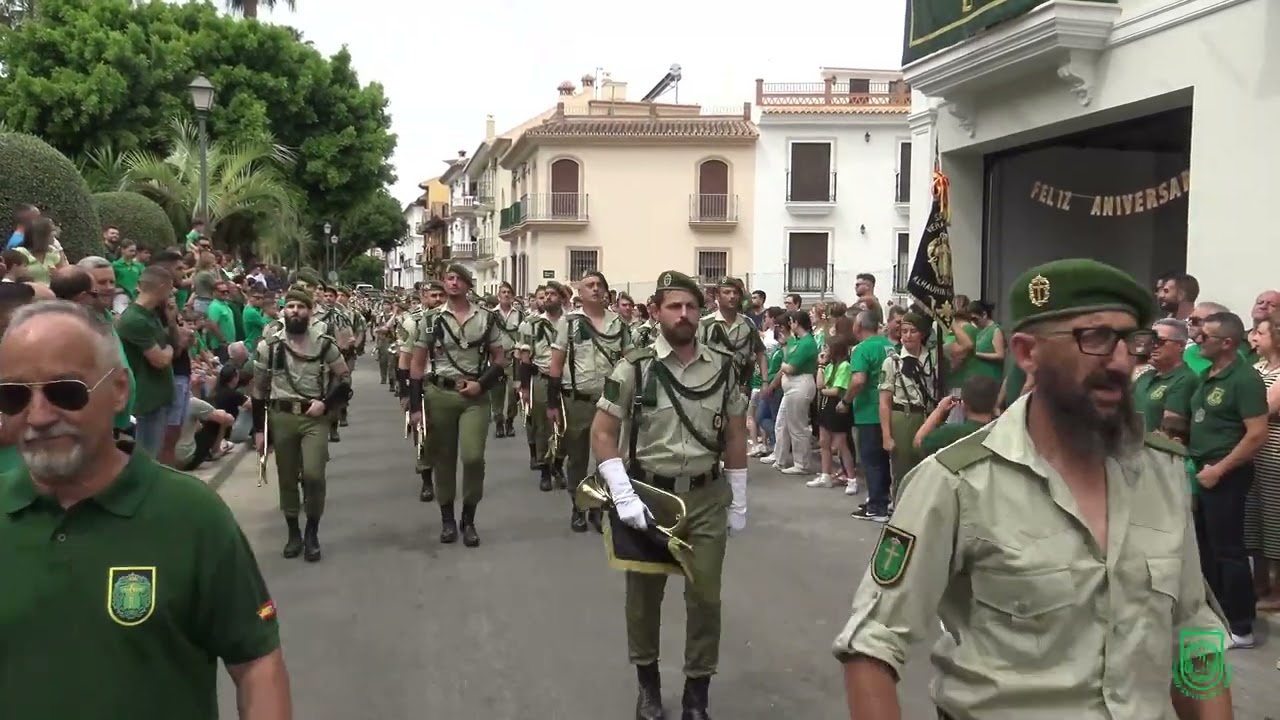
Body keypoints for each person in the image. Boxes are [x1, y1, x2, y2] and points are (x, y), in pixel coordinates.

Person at [834, 258, 1230, 719]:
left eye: (1130, 341)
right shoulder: (956, 482)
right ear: (1026, 353)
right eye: (1096, 338)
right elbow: (873, 645)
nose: (1122, 361)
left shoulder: (1161, 472)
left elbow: (1193, 630)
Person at [0, 300, 291, 718]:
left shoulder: (192, 516)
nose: (39, 415)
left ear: (119, 390)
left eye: (66, 392)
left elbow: (256, 662)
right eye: (13, 396)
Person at [590, 270, 747, 720]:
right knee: (643, 599)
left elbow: (736, 433)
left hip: (705, 496)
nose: (683, 314)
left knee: (706, 599)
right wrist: (622, 494)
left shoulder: (723, 366)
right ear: (656, 312)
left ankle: (697, 694)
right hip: (649, 498)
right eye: (674, 306)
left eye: (691, 307)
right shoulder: (634, 367)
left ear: (701, 313)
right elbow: (603, 433)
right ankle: (649, 688)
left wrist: (738, 496)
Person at [250, 287, 351, 562]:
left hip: (314, 416)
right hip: (282, 416)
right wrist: (259, 430)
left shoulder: (324, 344)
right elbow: (258, 390)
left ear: (310, 312)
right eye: (291, 306)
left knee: (314, 474)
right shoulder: (268, 347)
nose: (295, 311)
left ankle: (312, 532)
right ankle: (294, 532)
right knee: (287, 478)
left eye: (301, 307)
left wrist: (326, 404)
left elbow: (343, 378)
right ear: (284, 311)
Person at [408, 264, 506, 547]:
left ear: (468, 285)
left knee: (473, 457)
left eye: (459, 279)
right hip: (440, 394)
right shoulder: (429, 320)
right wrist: (415, 407)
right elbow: (416, 365)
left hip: (474, 395)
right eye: (449, 278)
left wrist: (482, 384)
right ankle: (447, 519)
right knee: (443, 460)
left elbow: (500, 359)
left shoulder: (486, 319)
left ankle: (469, 517)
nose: (453, 283)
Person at [548, 270, 628, 532]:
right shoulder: (569, 324)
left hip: (610, 399)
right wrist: (552, 403)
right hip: (578, 399)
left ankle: (599, 506)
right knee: (578, 456)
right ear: (580, 293)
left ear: (605, 291)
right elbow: (556, 365)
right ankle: (579, 505)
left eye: (599, 285)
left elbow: (629, 361)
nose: (595, 289)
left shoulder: (619, 324)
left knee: (607, 457)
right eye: (589, 285)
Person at [518, 282, 569, 486]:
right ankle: (545, 470)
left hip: (566, 382)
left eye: (552, 294)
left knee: (565, 427)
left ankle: (558, 462)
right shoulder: (532, 324)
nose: (547, 298)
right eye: (545, 294)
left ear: (562, 298)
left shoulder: (572, 322)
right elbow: (525, 355)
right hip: (542, 378)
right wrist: (524, 387)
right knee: (542, 426)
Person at [490, 281, 525, 438]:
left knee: (514, 393)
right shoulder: (491, 314)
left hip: (513, 357)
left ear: (512, 297)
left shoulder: (519, 315)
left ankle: (510, 420)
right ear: (499, 296)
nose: (505, 295)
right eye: (503, 292)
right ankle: (498, 421)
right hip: (497, 357)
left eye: (508, 293)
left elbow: (522, 336)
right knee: (497, 393)